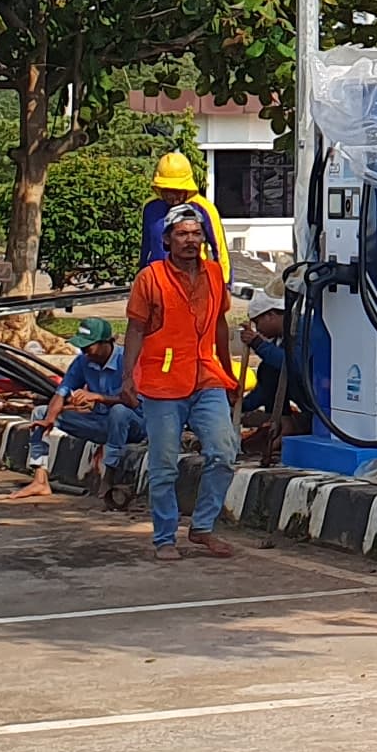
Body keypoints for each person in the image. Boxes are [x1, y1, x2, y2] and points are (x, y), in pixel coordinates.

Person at [124, 201, 239, 556]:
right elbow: (135, 329)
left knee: (224, 453)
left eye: (196, 233)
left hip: (206, 377)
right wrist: (128, 377)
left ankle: (202, 527)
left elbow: (220, 324)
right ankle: (164, 537)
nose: (190, 240)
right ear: (168, 240)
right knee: (164, 464)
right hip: (162, 382)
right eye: (182, 234)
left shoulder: (214, 274)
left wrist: (229, 372)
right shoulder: (151, 278)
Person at [5, 317, 140, 509]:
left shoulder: (127, 360)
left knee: (119, 412)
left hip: (133, 424)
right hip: (99, 422)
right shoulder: (82, 362)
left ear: (106, 343)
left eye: (88, 348)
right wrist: (50, 420)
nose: (85, 353)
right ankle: (40, 479)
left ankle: (108, 477)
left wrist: (97, 397)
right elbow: (61, 392)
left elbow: (134, 402)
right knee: (40, 413)